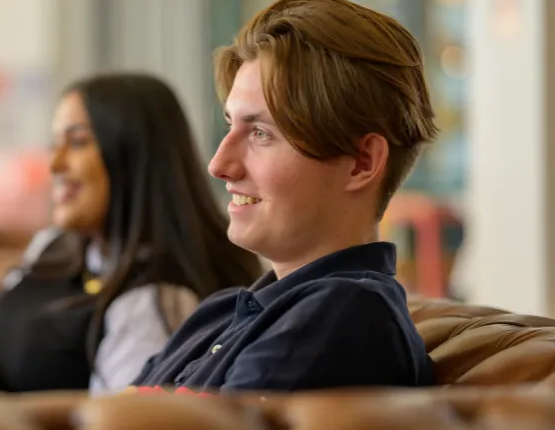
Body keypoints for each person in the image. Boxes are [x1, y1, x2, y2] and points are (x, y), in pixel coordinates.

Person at [0, 74, 264, 396]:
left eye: (76, 143)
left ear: (130, 158)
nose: (54, 163)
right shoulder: (56, 247)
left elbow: (107, 424)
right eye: (54, 144)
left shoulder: (153, 299)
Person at [131, 0, 437, 393]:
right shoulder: (221, 310)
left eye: (260, 133)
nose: (219, 164)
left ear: (361, 162)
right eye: (230, 125)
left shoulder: (345, 313)